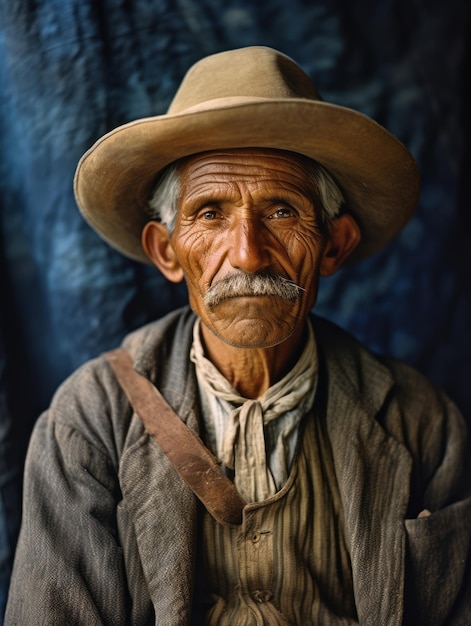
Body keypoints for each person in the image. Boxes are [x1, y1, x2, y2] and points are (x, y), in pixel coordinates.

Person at [5, 46, 471, 625]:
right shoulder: (92, 421)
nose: (248, 255)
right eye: (209, 215)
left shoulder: (421, 424)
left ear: (333, 245)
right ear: (166, 251)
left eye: (281, 211)